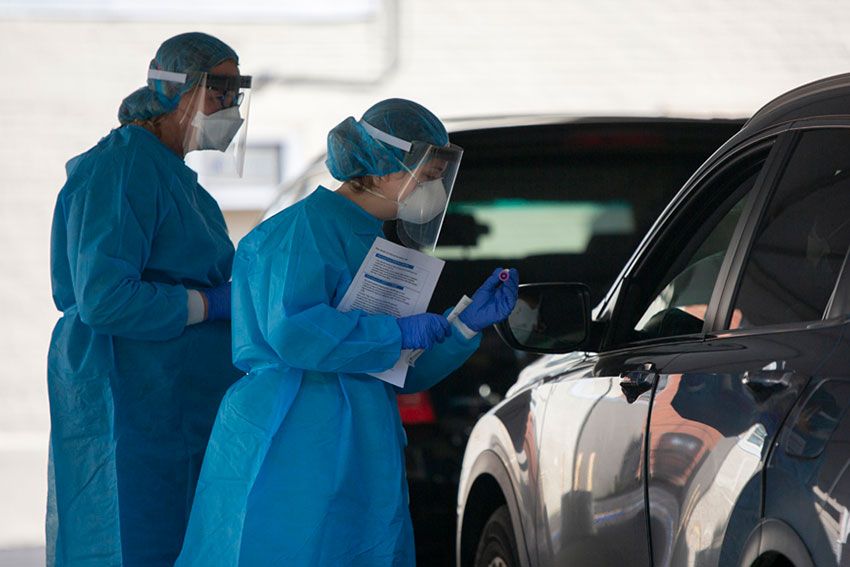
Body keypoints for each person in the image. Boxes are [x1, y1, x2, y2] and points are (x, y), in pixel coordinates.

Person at [176, 98, 519, 566]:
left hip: (360, 440)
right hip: (292, 434)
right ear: (379, 171)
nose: (435, 189)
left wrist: (462, 326)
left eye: (440, 175)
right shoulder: (302, 231)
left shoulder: (374, 240)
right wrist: (395, 334)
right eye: (427, 175)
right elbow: (294, 332)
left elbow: (400, 372)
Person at [47, 32, 252, 566]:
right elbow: (105, 297)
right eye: (220, 90)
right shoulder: (122, 167)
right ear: (176, 90)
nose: (230, 106)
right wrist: (209, 305)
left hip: (173, 402)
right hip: (130, 399)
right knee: (131, 540)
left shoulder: (174, 177)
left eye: (237, 91)